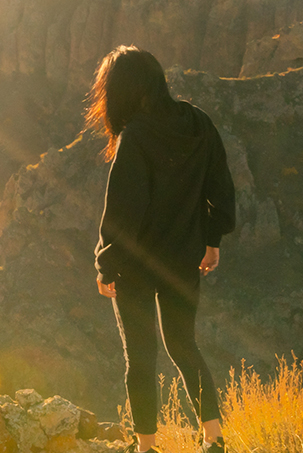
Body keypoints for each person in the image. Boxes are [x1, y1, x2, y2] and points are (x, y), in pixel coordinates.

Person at [88, 46, 235, 453]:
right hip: (184, 259)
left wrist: (106, 266)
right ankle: (213, 437)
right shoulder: (197, 122)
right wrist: (212, 241)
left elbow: (123, 210)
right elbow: (220, 186)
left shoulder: (135, 135)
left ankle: (148, 447)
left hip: (135, 265)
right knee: (184, 346)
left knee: (141, 357)